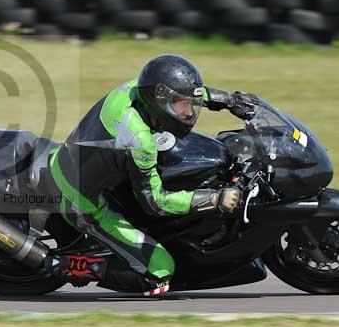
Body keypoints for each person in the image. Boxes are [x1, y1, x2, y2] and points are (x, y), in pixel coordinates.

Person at [47, 54, 258, 296]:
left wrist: (229, 100)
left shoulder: (136, 88)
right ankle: (69, 265)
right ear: (159, 100)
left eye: (189, 104)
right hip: (82, 200)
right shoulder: (139, 141)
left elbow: (184, 91)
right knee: (160, 273)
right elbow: (155, 203)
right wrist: (213, 199)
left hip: (84, 164)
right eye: (181, 105)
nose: (189, 113)